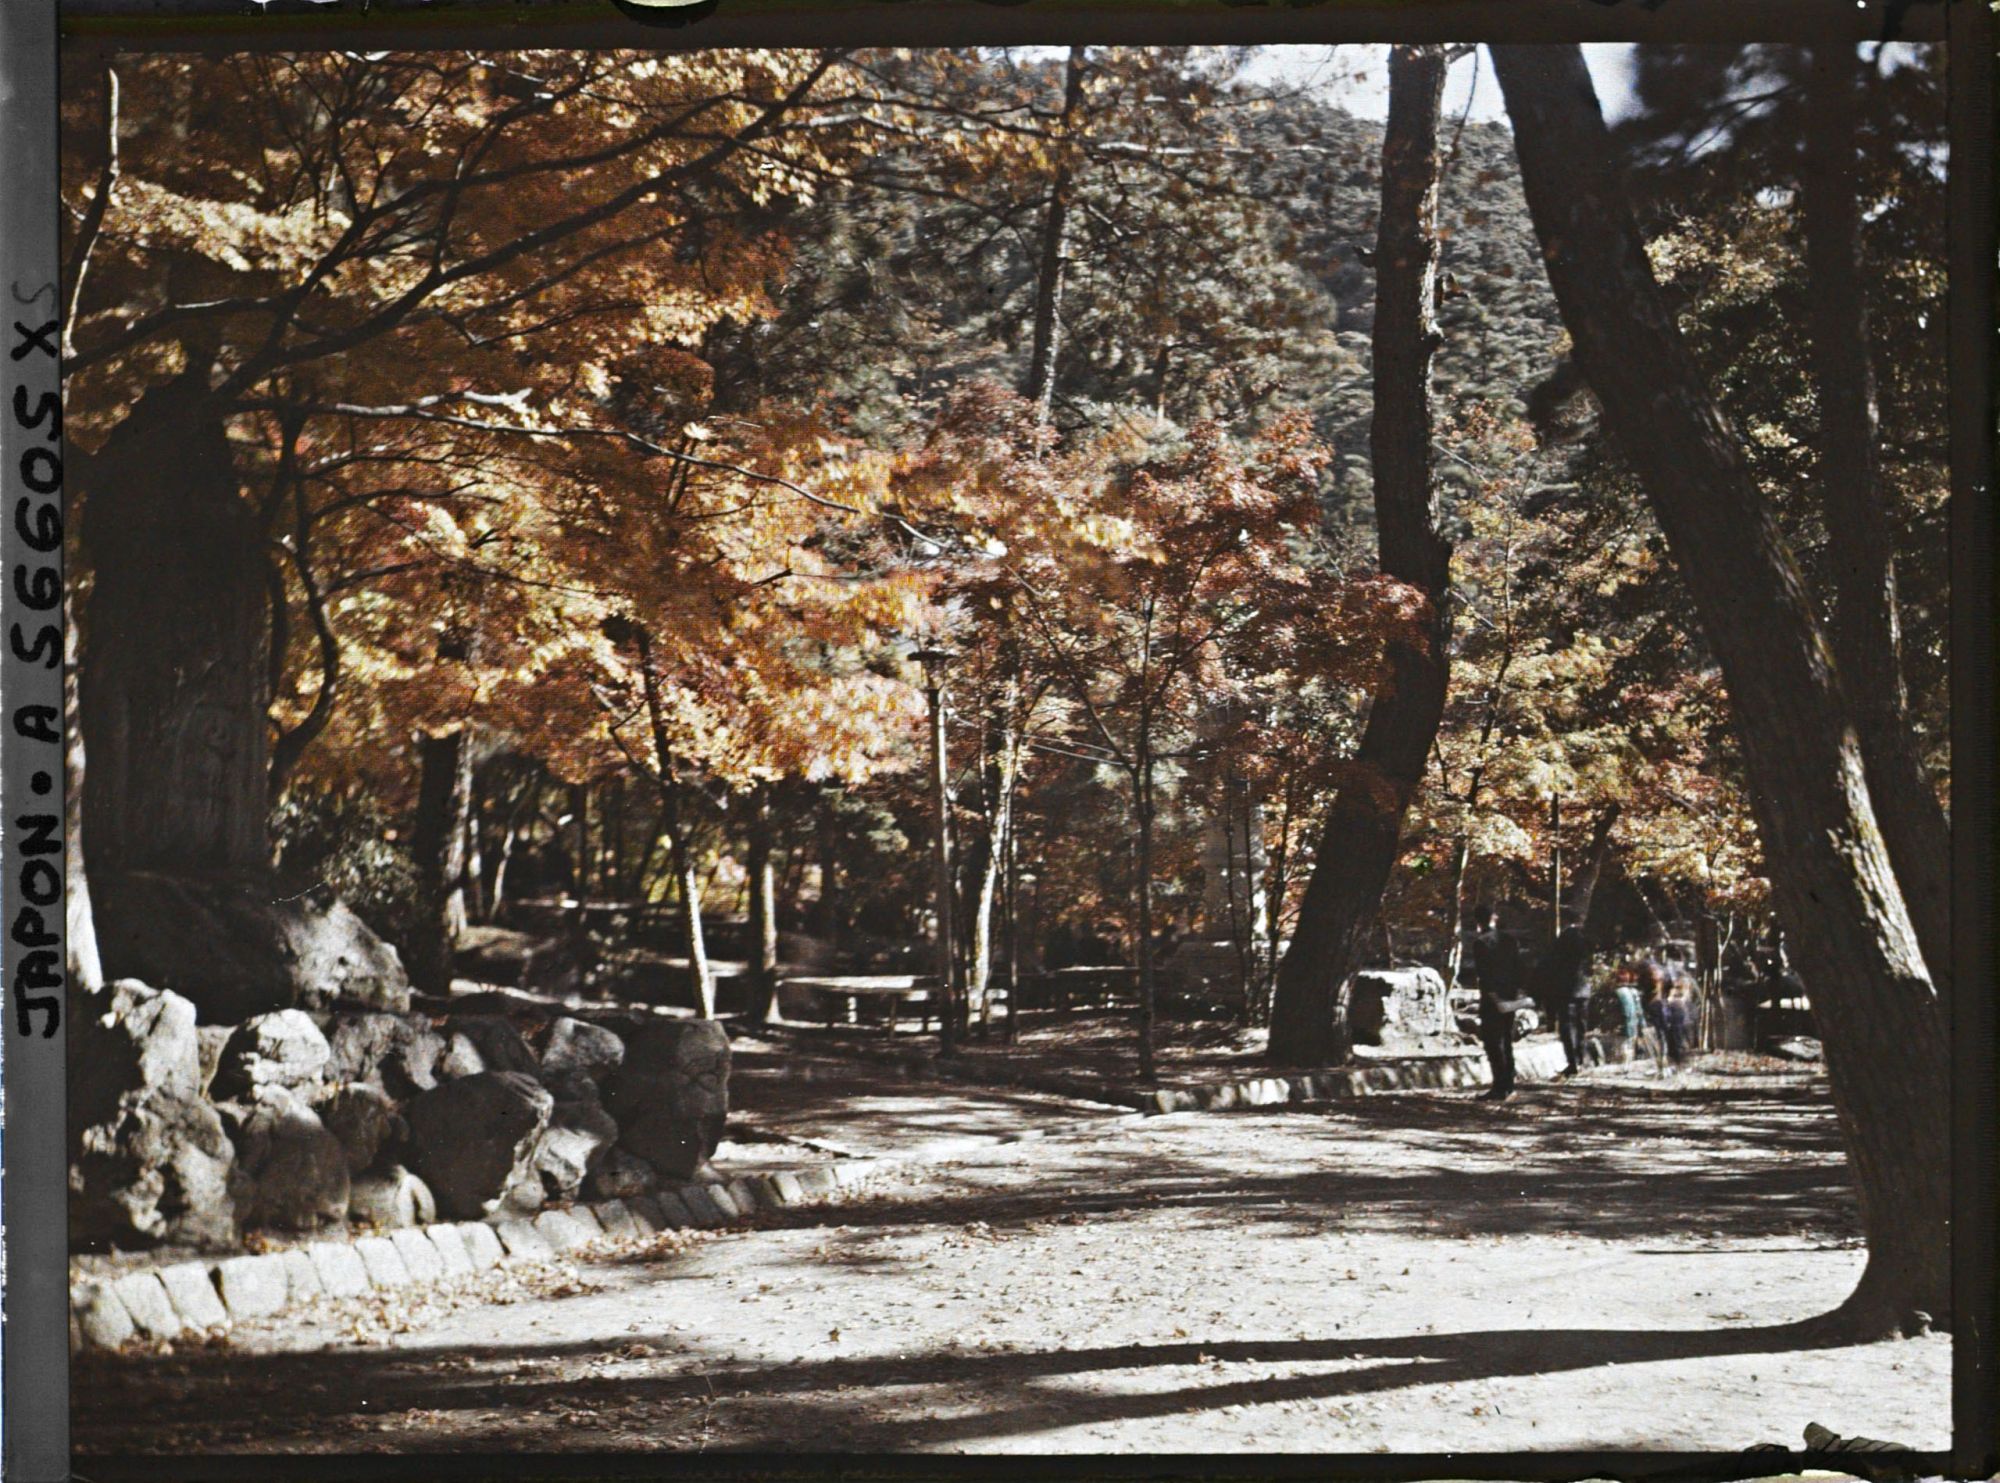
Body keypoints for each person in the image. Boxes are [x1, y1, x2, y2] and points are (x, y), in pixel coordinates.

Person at [1467, 904, 1528, 1100]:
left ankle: (1499, 1086)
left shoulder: (1481, 943)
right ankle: (1509, 1083)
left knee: (1493, 1042)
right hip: (1510, 995)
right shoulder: (1509, 940)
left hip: (1493, 998)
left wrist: (1493, 997)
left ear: (1477, 921)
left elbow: (1484, 974)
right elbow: (1519, 967)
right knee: (1507, 1040)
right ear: (1494, 918)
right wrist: (1517, 992)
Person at [1534, 907, 1593, 1077]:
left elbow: (1553, 964)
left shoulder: (1564, 939)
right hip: (1583, 989)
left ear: (1565, 920)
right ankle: (1581, 1060)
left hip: (1567, 989)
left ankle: (1572, 1062)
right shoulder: (1584, 938)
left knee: (1567, 1027)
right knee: (1581, 1026)